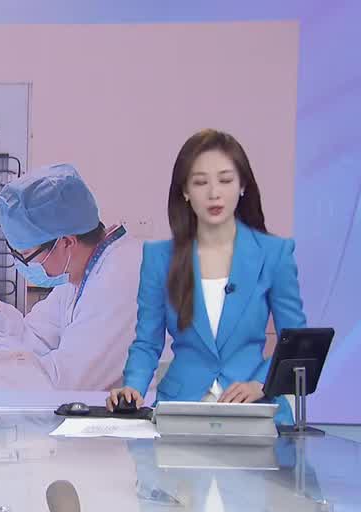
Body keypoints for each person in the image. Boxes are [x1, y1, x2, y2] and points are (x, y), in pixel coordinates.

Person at [109, 130, 306, 422]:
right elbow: (147, 342)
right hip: (182, 409)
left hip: (255, 409)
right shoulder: (159, 258)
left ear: (242, 186)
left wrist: (260, 384)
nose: (214, 193)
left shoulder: (274, 254)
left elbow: (296, 342)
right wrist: (132, 388)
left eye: (225, 180)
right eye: (201, 182)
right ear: (185, 191)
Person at [0, 163, 143, 391]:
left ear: (66, 242)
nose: (23, 264)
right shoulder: (82, 271)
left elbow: (59, 383)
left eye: (26, 255)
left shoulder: (118, 280)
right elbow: (32, 339)